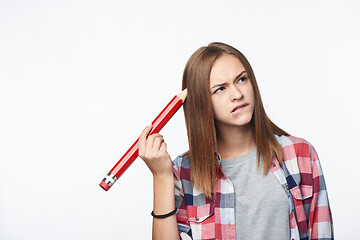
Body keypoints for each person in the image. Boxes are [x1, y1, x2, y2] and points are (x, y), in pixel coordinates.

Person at [138, 42, 333, 240]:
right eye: (220, 89)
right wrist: (161, 177)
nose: (238, 94)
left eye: (241, 79)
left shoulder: (300, 154)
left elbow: (322, 232)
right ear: (201, 102)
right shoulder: (184, 172)